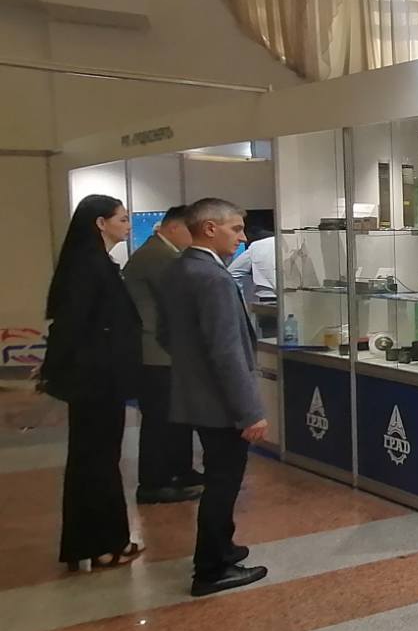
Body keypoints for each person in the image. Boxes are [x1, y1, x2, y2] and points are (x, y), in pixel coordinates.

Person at [158, 198, 269, 596]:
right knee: (223, 483)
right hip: (221, 402)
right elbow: (226, 352)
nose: (243, 238)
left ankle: (223, 547)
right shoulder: (213, 278)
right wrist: (249, 411)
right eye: (235, 229)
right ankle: (210, 568)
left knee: (220, 477)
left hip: (198, 395)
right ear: (209, 228)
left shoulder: (179, 269)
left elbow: (166, 334)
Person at [38, 194, 144, 569]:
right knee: (97, 460)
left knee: (96, 459)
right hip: (96, 378)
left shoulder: (94, 262)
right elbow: (74, 324)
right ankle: (102, 544)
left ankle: (96, 542)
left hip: (99, 375)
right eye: (122, 218)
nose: (128, 225)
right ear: (100, 223)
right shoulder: (89, 266)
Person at [121, 206, 204, 504]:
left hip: (166, 351)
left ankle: (180, 471)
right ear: (173, 227)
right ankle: (154, 482)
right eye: (190, 230)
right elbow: (183, 301)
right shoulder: (159, 257)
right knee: (159, 420)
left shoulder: (162, 253)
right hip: (156, 353)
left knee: (176, 417)